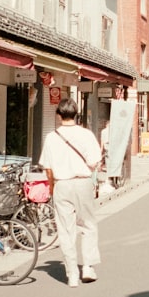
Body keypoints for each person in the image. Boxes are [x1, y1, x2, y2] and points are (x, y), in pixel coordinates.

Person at [39, 97, 102, 287]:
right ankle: (88, 267)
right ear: (76, 114)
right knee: (88, 225)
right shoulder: (86, 135)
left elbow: (47, 168)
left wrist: (52, 188)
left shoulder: (51, 137)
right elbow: (95, 162)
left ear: (59, 115)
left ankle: (72, 274)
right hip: (82, 182)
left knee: (66, 230)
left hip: (61, 184)